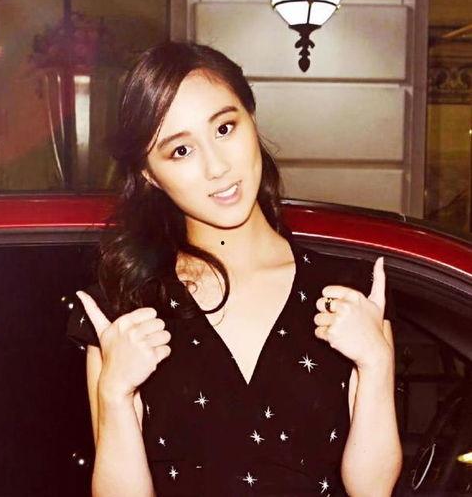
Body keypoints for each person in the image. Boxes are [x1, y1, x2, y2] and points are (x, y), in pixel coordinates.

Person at [66, 41, 402, 496]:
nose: (217, 167)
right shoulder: (125, 310)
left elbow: (372, 490)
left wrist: (376, 363)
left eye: (224, 128)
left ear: (252, 119)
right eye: (180, 151)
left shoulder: (348, 292)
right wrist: (114, 395)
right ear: (149, 174)